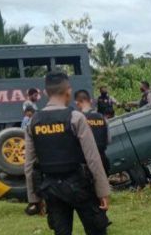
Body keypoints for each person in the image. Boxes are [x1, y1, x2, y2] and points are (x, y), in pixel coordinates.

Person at [24, 72, 110, 235]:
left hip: (51, 189)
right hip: (79, 186)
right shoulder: (75, 118)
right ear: (68, 91)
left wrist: (34, 199)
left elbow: (28, 165)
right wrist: (102, 191)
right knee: (97, 230)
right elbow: (93, 159)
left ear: (45, 92)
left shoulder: (33, 121)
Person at [75, 89, 110, 175]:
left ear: (77, 103)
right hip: (102, 160)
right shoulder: (102, 118)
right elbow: (108, 140)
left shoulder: (78, 120)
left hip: (85, 163)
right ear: (90, 101)